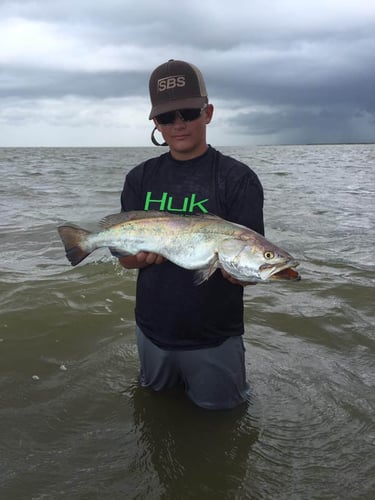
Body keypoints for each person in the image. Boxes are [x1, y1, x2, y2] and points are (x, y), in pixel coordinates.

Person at [118, 59, 264, 410]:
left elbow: (252, 263)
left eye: (188, 112)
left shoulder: (237, 179)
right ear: (155, 123)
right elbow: (125, 259)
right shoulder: (139, 178)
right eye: (167, 117)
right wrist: (135, 259)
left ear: (208, 112)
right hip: (152, 330)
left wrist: (243, 273)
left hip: (213, 338)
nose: (178, 124)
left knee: (222, 427)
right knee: (154, 413)